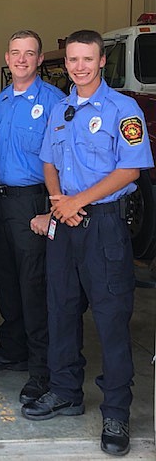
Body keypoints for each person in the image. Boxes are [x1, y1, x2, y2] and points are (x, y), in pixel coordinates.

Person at [21, 30, 154, 457]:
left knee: (112, 321)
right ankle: (65, 391)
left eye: (87, 59)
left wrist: (78, 200)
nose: (79, 66)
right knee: (60, 310)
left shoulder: (123, 109)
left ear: (101, 62)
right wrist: (61, 202)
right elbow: (48, 160)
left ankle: (116, 411)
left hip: (105, 227)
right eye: (73, 60)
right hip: (66, 224)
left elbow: (130, 170)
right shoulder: (60, 110)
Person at [0, 30, 65, 404]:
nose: (21, 59)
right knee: (6, 279)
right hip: (0, 203)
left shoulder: (55, 101)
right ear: (7, 56)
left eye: (29, 54)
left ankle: (41, 366)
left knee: (34, 286)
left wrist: (51, 208)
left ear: (39, 59)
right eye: (15, 53)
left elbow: (63, 159)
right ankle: (12, 348)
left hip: (34, 203)